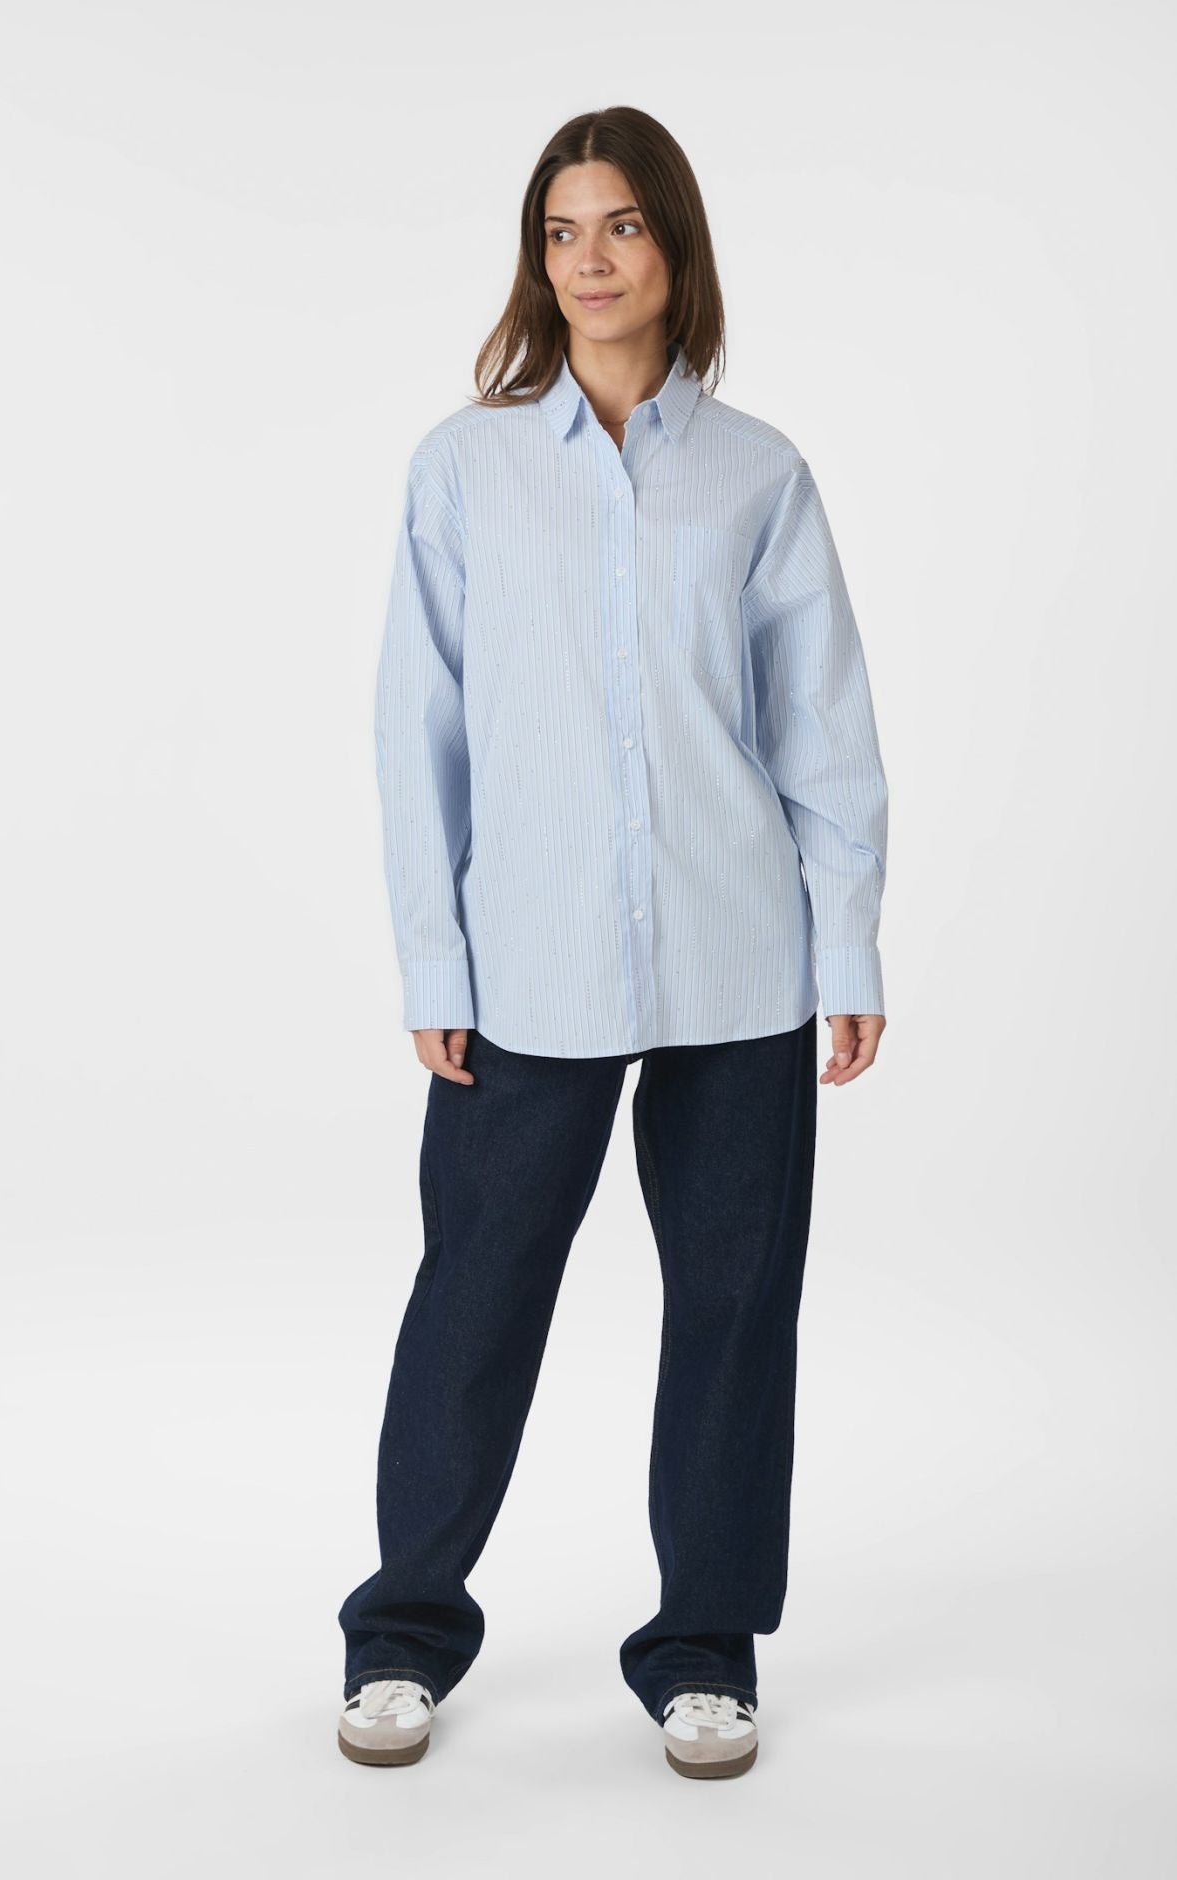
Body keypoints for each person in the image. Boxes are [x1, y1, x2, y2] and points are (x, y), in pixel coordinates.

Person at [336, 105, 889, 1779]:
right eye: (563, 230)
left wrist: (845, 951)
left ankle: (703, 1651)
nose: (590, 259)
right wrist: (434, 962)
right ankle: (402, 1633)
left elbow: (822, 729)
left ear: (674, 247)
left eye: (623, 225)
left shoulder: (757, 474)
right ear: (537, 258)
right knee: (477, 1292)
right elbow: (417, 732)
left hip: (737, 952)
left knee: (732, 1305)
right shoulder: (464, 468)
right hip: (530, 962)